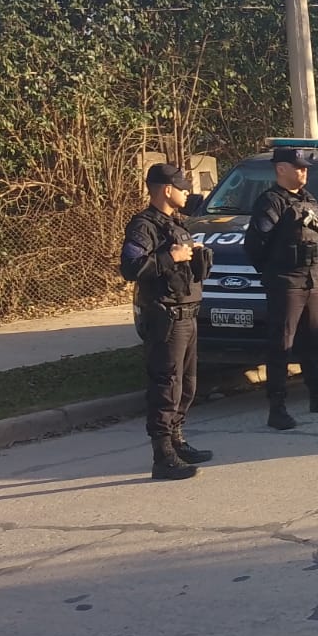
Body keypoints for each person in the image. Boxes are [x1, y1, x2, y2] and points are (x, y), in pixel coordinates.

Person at [247, 147, 318, 429]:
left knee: (313, 339)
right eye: (298, 167)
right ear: (280, 169)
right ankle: (277, 407)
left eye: (305, 167)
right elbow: (255, 246)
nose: (303, 171)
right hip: (286, 281)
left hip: (311, 279)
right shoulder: (271, 202)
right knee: (282, 344)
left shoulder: (308, 200)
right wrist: (274, 272)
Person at [121, 162, 214, 480]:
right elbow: (131, 267)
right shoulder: (143, 226)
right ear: (166, 189)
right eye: (182, 187)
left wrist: (198, 257)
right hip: (165, 317)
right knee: (166, 386)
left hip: (187, 313)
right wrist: (169, 258)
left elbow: (188, 270)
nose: (187, 191)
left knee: (187, 386)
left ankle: (177, 441)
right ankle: (162, 456)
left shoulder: (177, 224)